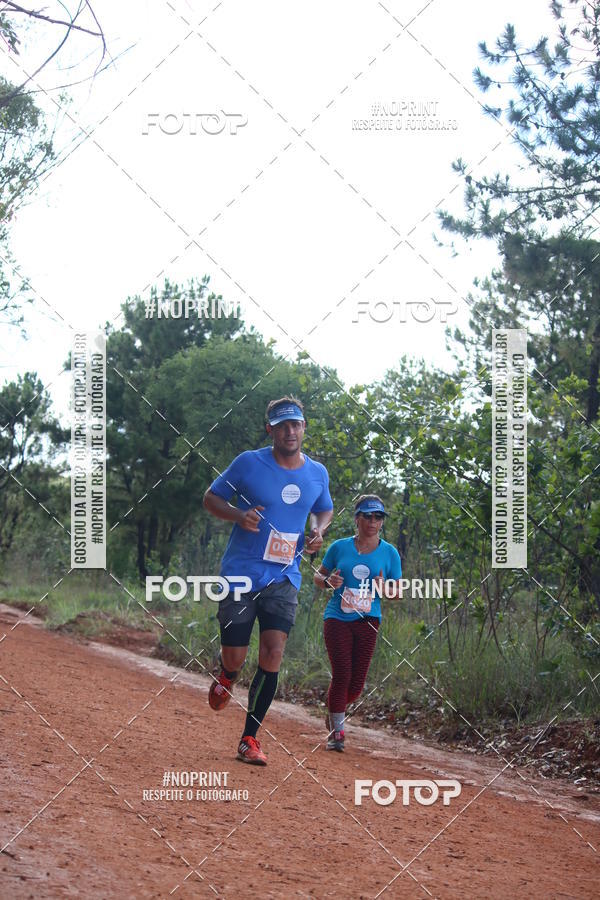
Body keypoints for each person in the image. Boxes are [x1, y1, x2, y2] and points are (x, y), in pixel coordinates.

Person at [203, 396, 334, 765]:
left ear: (304, 427)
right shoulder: (249, 462)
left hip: (284, 575)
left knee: (273, 652)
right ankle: (228, 674)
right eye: (282, 426)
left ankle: (249, 738)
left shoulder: (317, 473)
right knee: (236, 656)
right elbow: (211, 498)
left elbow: (323, 508)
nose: (290, 431)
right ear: (270, 430)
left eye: (296, 424)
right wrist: (238, 515)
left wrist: (317, 530)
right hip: (241, 573)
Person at [314, 495, 402, 751]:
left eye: (378, 517)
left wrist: (384, 588)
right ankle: (337, 733)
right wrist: (328, 581)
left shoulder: (390, 553)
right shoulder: (339, 547)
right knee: (342, 673)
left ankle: (335, 710)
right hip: (337, 617)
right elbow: (318, 576)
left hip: (368, 620)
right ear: (357, 519)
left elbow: (397, 592)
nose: (373, 522)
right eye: (368, 516)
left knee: (356, 685)